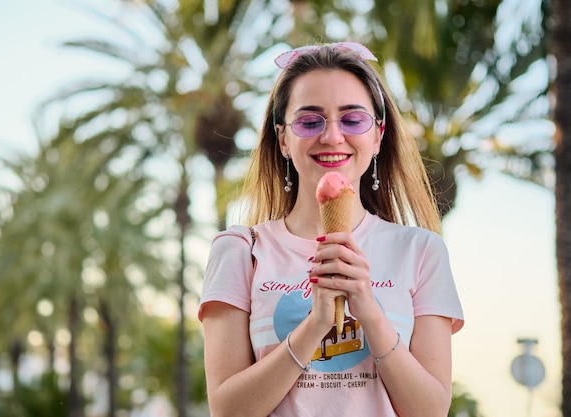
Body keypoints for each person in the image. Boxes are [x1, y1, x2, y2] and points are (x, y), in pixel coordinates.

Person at [198, 42, 464, 417]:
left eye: (352, 119)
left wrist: (367, 307)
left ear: (377, 135)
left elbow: (430, 411)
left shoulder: (420, 251)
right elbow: (227, 411)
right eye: (310, 121)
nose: (332, 136)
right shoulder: (241, 250)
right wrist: (317, 322)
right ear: (283, 139)